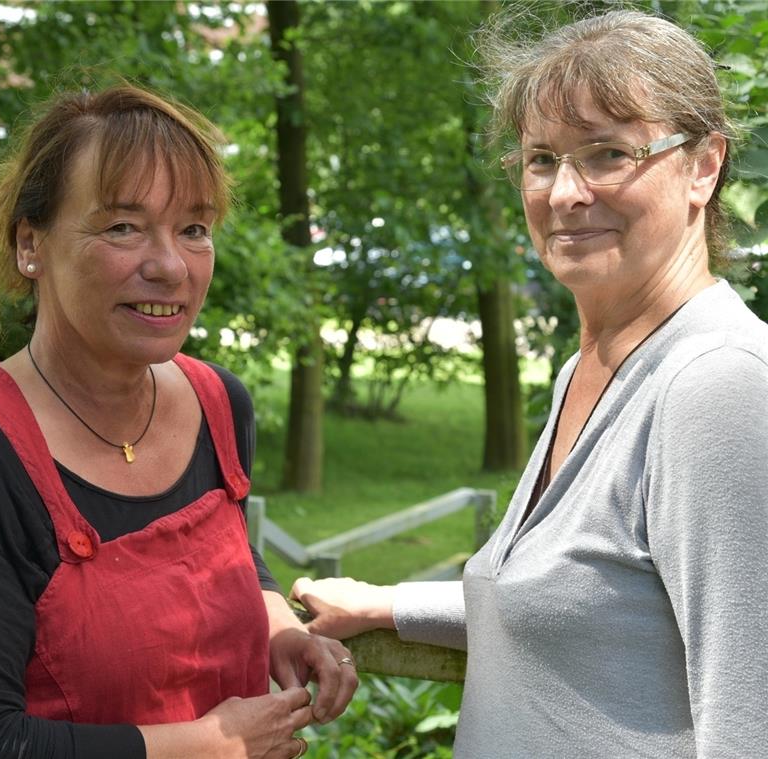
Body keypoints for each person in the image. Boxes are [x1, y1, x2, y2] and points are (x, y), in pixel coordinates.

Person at [290, 9, 768, 758]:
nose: (566, 192)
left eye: (609, 154)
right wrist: (389, 604)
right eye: (542, 159)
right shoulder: (592, 368)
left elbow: (750, 715)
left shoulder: (715, 388)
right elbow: (592, 609)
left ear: (703, 166)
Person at [0, 84, 357, 759]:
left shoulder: (219, 404)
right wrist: (212, 745)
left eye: (194, 229)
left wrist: (278, 627)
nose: (170, 265)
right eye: (123, 227)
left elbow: (223, 552)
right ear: (31, 244)